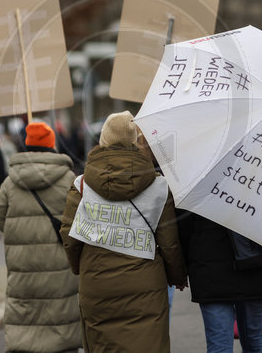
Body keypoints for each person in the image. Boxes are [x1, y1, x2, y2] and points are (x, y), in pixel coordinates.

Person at [60, 110, 187, 353]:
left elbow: (69, 234)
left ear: (103, 138)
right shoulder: (159, 186)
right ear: (134, 140)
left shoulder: (82, 185)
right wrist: (177, 276)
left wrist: (80, 266)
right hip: (145, 282)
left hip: (96, 282)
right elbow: (169, 241)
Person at [0, 122, 82, 353]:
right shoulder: (67, 180)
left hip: (23, 270)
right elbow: (78, 223)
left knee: (26, 328)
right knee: (60, 328)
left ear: (27, 144)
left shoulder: (9, 183)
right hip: (60, 270)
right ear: (52, 143)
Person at [178, 211, 262, 353]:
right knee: (254, 341)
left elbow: (182, 225)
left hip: (211, 266)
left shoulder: (196, 188)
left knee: (220, 345)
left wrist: (179, 269)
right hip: (256, 263)